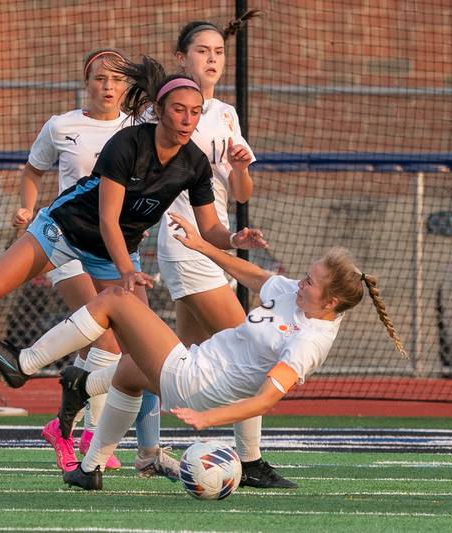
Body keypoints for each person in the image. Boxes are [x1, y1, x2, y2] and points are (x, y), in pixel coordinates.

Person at [0, 54, 267, 477]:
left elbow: (211, 228)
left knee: (143, 352)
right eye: (179, 110)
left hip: (114, 251)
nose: (187, 119)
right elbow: (107, 218)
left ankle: (148, 455)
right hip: (63, 230)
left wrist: (234, 239)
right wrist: (126, 271)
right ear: (160, 111)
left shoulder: (194, 163)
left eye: (195, 112)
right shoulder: (127, 144)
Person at [0, 212, 407, 490]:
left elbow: (266, 399)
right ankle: (89, 469)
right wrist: (204, 246)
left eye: (311, 282)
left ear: (330, 303)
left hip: (196, 381)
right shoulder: (295, 297)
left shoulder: (311, 339)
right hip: (195, 368)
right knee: (128, 374)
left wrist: (209, 419)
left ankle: (25, 363)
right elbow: (256, 276)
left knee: (116, 300)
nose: (300, 282)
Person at [154, 10, 294, 489]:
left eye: (218, 53)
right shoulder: (167, 110)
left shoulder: (226, 115)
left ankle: (91, 397)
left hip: (219, 242)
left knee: (181, 360)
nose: (212, 59)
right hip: (184, 242)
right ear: (181, 58)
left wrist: (238, 167)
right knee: (252, 347)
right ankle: (251, 461)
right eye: (201, 51)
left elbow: (242, 194)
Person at [14, 49, 132, 472]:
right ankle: (88, 436)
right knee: (106, 337)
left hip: (112, 248)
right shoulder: (62, 126)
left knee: (106, 341)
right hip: (65, 239)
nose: (108, 86)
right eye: (100, 78)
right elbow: (32, 171)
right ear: (87, 82)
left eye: (117, 80)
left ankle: (61, 428)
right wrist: (27, 210)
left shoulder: (137, 128)